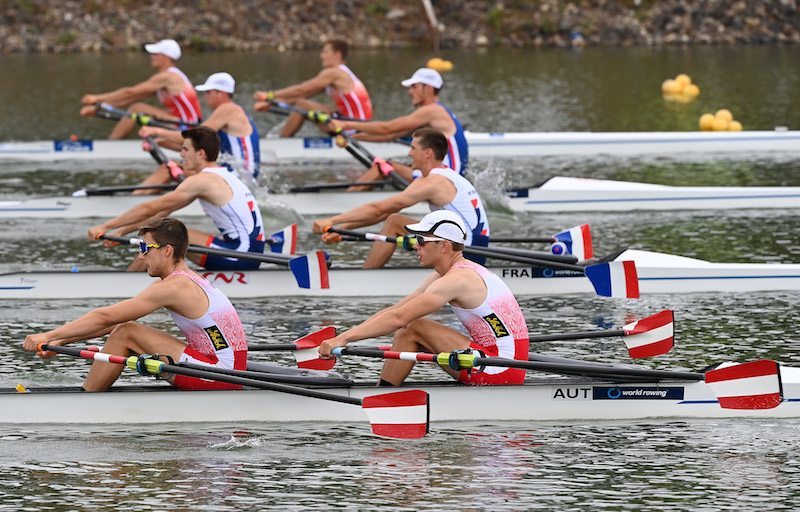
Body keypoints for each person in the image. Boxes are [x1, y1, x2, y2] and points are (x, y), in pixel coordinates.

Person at [23, 217, 249, 392]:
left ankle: (85, 402)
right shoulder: (189, 277)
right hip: (224, 368)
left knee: (126, 331)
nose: (141, 257)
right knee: (126, 328)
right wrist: (63, 340)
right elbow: (115, 320)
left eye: (145, 249)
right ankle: (87, 397)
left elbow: (107, 318)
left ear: (167, 250)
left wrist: (47, 335)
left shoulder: (175, 286)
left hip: (220, 375)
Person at [318, 210, 529, 386]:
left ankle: (382, 395)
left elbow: (400, 318)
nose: (415, 246)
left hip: (504, 368)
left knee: (412, 326)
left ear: (444, 245)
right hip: (495, 359)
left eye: (421, 240)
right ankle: (384, 392)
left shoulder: (458, 279)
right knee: (408, 328)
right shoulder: (444, 276)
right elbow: (395, 311)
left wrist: (343, 339)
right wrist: (342, 336)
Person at [88, 126, 265, 271]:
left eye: (185, 149)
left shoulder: (203, 181)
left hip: (241, 256)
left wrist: (106, 226)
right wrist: (120, 232)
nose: (181, 154)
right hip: (248, 251)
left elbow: (150, 208)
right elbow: (161, 214)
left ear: (200, 154)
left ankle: (128, 286)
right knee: (164, 229)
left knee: (163, 234)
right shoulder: (224, 174)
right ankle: (139, 279)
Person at [311, 128, 488, 268]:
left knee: (395, 222)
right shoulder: (443, 175)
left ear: (427, 153)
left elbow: (378, 208)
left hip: (466, 252)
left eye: (413, 148)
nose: (409, 153)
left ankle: (366, 277)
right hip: (473, 245)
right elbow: (385, 211)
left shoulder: (433, 182)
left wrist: (332, 220)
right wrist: (341, 229)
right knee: (394, 219)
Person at [327, 67, 468, 184]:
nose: (410, 92)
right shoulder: (432, 113)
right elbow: (389, 135)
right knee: (388, 167)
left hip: (448, 180)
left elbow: (386, 128)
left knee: (382, 166)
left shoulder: (432, 110)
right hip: (446, 175)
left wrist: (343, 123)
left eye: (414, 87)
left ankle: (349, 202)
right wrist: (352, 137)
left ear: (429, 89)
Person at [138, 72, 261, 189]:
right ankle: (142, 197)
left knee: (169, 169)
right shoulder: (229, 113)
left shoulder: (228, 109)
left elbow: (195, 137)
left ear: (220, 93)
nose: (205, 96)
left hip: (239, 177)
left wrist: (156, 131)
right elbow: (195, 146)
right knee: (180, 168)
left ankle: (135, 200)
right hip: (238, 176)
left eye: (208, 92)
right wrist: (159, 143)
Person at [80, 39, 203, 139]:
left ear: (166, 57)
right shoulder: (170, 77)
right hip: (182, 123)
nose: (151, 57)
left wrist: (97, 98)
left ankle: (109, 145)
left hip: (187, 126)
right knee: (136, 107)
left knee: (137, 109)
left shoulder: (168, 77)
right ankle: (112, 143)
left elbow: (130, 92)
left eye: (155, 54)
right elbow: (131, 97)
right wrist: (98, 107)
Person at [252, 38, 372, 137]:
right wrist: (271, 104)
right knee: (303, 104)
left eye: (325, 52)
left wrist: (270, 95)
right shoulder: (342, 74)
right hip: (353, 124)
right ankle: (284, 140)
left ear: (337, 55)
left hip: (353, 127)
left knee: (302, 105)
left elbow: (301, 89)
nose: (321, 56)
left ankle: (281, 143)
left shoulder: (334, 73)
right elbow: (303, 95)